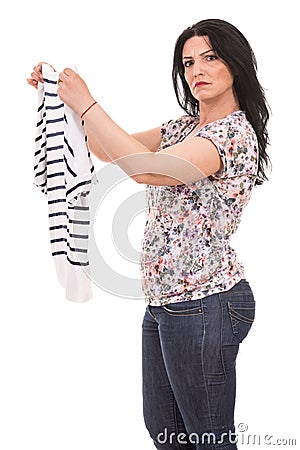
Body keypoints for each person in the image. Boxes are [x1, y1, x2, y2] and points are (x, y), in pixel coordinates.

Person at [28, 18, 270, 450]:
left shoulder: (234, 135)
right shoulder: (183, 127)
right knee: (164, 431)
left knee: (210, 440)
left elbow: (149, 169)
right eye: (189, 61)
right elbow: (109, 149)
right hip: (164, 303)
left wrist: (87, 103)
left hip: (205, 302)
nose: (197, 69)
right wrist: (61, 101)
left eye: (211, 57)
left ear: (235, 64)